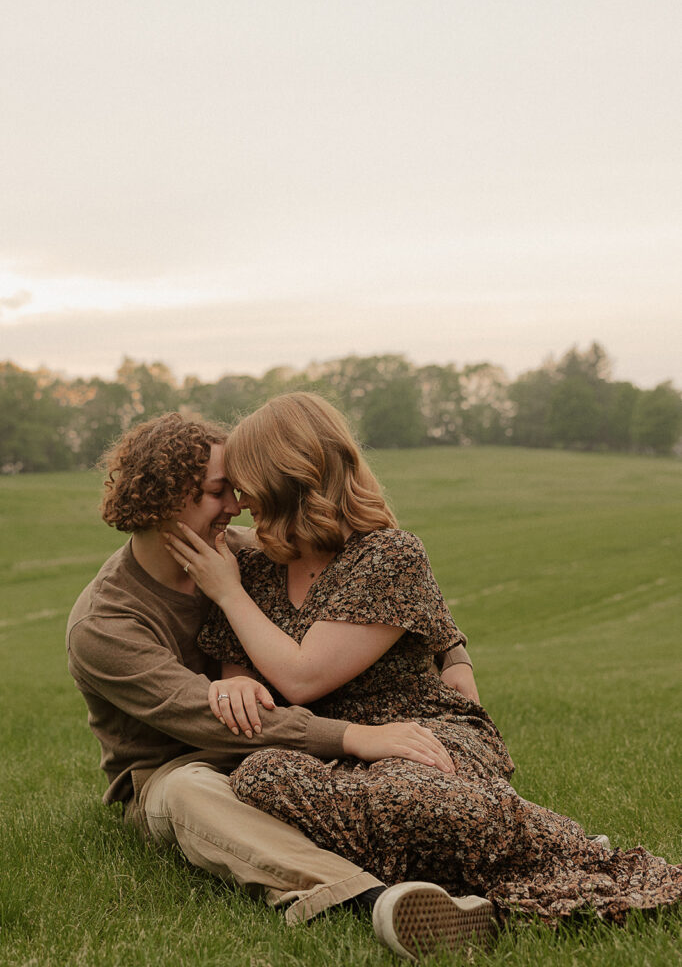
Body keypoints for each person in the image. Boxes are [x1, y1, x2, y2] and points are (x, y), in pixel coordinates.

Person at [165, 392, 682, 961]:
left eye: (246, 485)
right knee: (259, 776)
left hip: (422, 733)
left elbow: (303, 678)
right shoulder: (252, 571)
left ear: (291, 476)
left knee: (405, 792)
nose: (237, 502)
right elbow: (257, 693)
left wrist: (228, 593)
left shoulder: (386, 556)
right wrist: (232, 681)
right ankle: (468, 893)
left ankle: (566, 850)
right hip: (328, 752)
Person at [67, 411, 493, 954]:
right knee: (188, 794)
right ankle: (367, 898)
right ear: (163, 500)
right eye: (219, 492)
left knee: (404, 768)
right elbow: (209, 719)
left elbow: (377, 578)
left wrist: (452, 651)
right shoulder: (105, 625)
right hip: (186, 764)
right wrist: (350, 737)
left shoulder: (245, 550)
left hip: (286, 741)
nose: (238, 505)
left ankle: (504, 863)